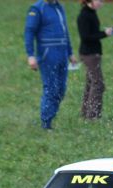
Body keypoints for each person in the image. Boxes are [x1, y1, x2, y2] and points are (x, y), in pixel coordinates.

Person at [24, 0, 78, 130]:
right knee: (51, 89)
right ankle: (46, 124)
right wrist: (31, 55)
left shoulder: (60, 7)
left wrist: (70, 53)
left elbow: (65, 32)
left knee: (60, 89)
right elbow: (29, 32)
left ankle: (49, 117)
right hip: (48, 54)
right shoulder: (37, 8)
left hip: (62, 53)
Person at [77, 0, 113, 121]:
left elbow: (93, 33)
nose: (102, 3)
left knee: (90, 83)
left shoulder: (91, 13)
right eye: (99, 0)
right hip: (89, 55)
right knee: (98, 84)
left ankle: (85, 113)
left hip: (93, 54)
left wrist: (107, 32)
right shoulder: (84, 15)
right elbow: (86, 37)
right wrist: (105, 33)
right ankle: (92, 116)